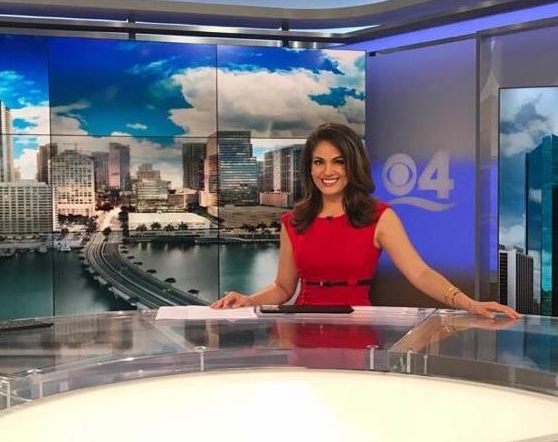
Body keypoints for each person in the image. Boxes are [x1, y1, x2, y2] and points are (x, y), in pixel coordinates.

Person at [212, 123, 520, 319]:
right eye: (319, 162)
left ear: (353, 166)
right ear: (309, 168)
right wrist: (248, 300)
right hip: (302, 326)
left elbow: (420, 273)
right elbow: (283, 287)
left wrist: (468, 303)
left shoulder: (379, 217)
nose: (327, 171)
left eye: (338, 161)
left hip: (357, 327)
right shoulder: (293, 221)